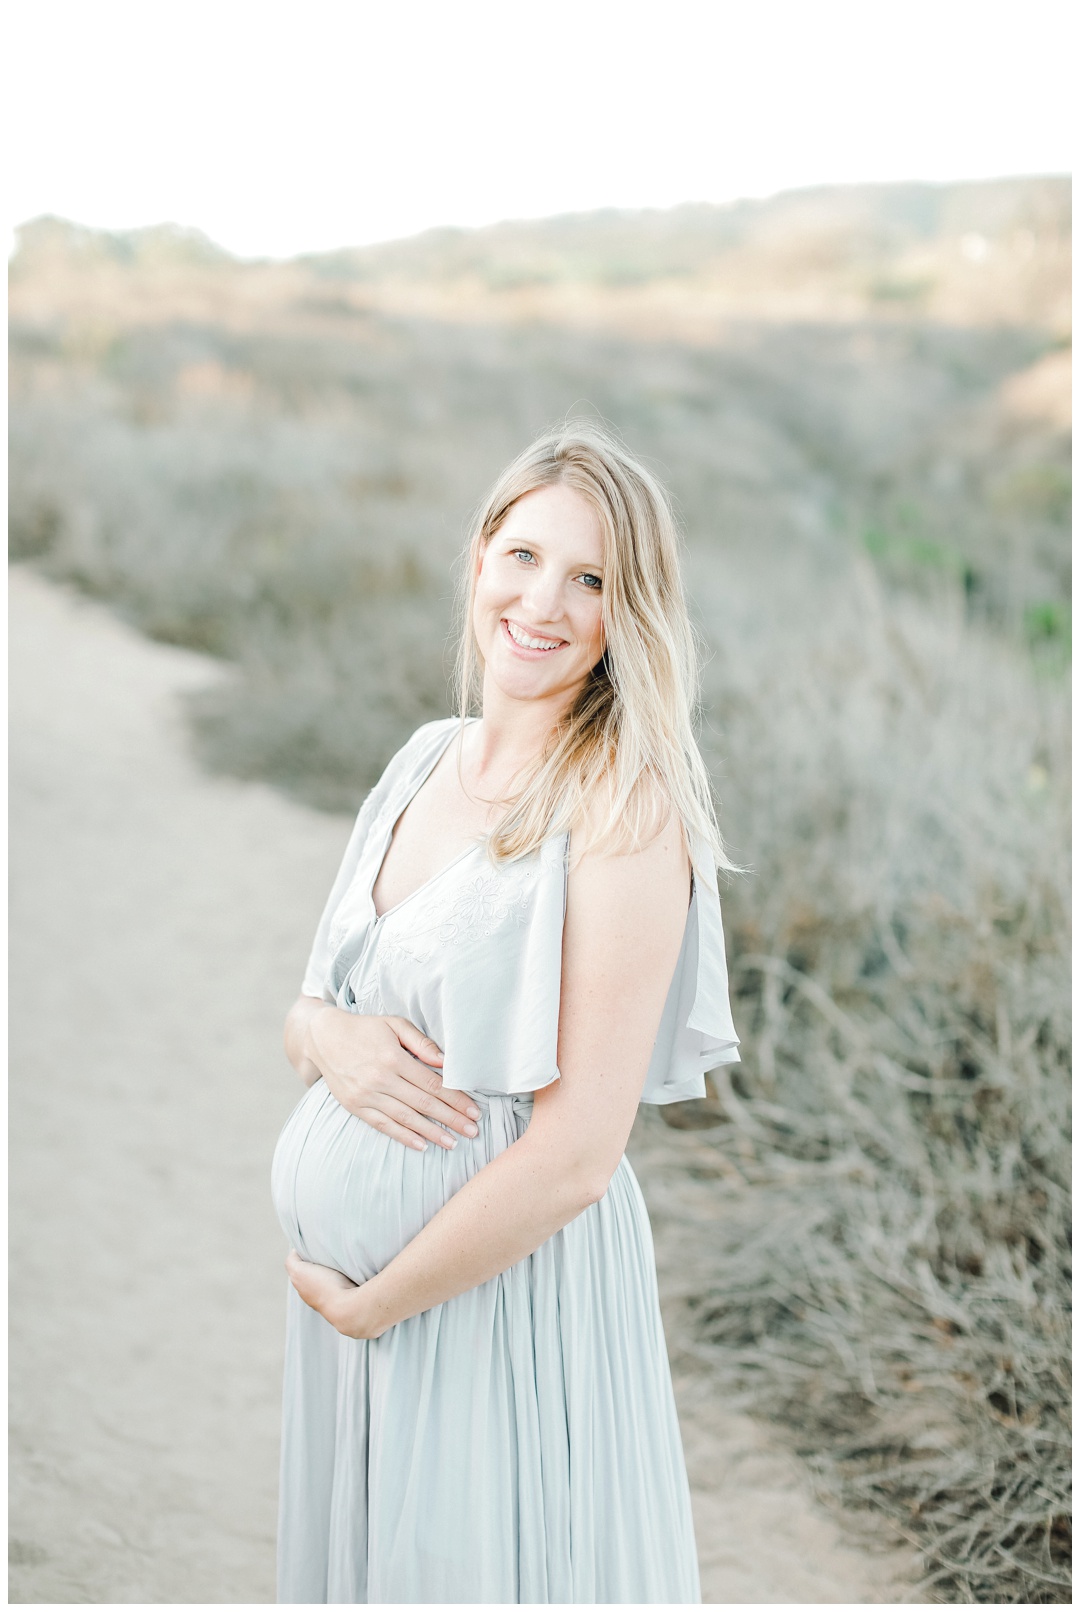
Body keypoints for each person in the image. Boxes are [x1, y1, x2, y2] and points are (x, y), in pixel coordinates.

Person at [271, 422, 741, 1604]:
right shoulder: (423, 760)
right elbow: (313, 1010)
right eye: (523, 555)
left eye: (590, 578)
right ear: (479, 557)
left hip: (497, 1299)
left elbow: (580, 1154)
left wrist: (381, 1302)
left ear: (629, 610)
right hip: (367, 1319)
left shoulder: (624, 806)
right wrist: (328, 1037)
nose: (544, 602)